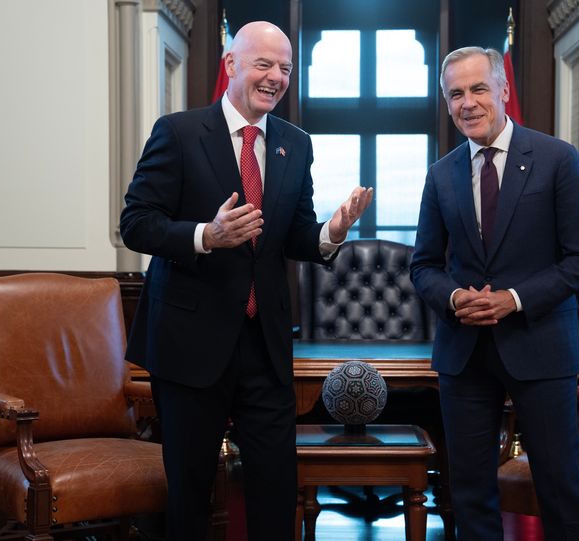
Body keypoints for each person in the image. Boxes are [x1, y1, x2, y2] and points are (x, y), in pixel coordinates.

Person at [120, 21, 372, 541]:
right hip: (191, 346)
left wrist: (331, 232)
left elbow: (296, 235)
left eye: (285, 68)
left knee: (275, 487)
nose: (276, 77)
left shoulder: (295, 145)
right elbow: (136, 223)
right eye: (264, 64)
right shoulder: (180, 131)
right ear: (231, 66)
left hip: (266, 346)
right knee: (190, 493)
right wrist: (205, 236)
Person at [410, 46, 579, 541]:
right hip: (464, 353)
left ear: (503, 90)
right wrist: (454, 299)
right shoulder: (441, 174)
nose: (467, 102)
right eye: (456, 93)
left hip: (539, 346)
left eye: (478, 89)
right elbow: (425, 266)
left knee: (559, 484)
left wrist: (513, 298)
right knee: (470, 491)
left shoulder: (557, 159)